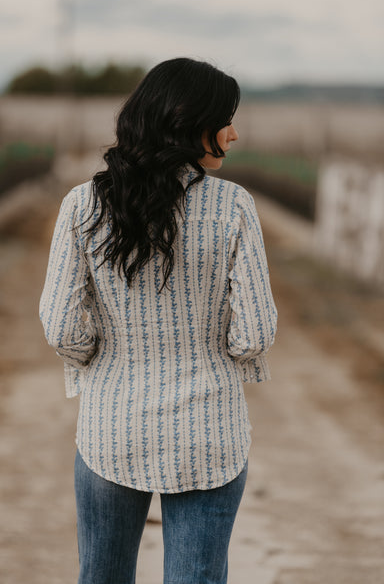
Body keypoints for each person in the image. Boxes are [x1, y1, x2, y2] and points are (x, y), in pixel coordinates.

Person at [39, 57, 277, 584]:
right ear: (189, 124)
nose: (234, 134)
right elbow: (255, 334)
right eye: (225, 119)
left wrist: (102, 357)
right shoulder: (234, 207)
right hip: (209, 432)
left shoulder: (83, 205)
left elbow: (60, 327)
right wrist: (222, 354)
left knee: (101, 575)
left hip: (110, 427)